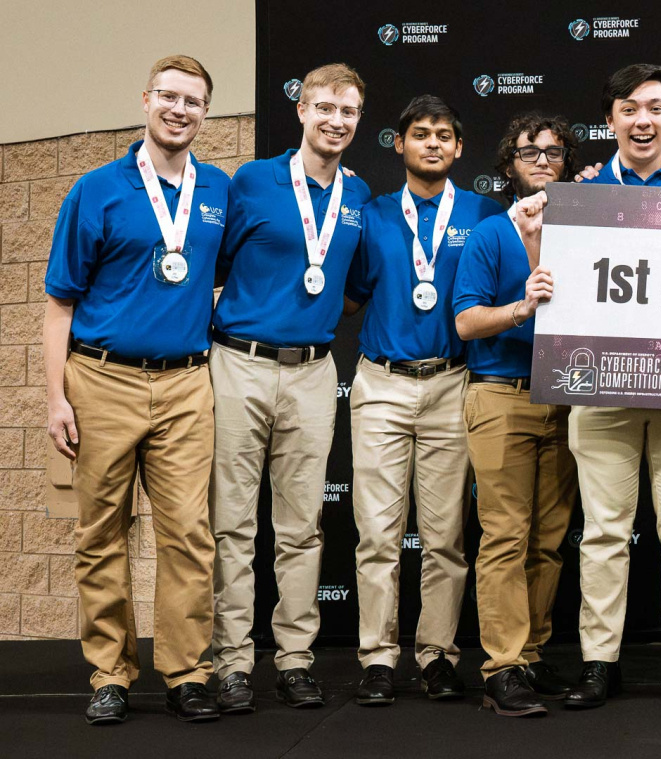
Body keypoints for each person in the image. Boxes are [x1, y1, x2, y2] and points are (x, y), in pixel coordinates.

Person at [44, 54, 227, 724]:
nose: (180, 110)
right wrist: (56, 398)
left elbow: (226, 271)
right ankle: (110, 673)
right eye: (169, 97)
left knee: (189, 536)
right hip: (101, 380)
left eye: (193, 101)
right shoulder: (96, 190)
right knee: (101, 532)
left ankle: (187, 673)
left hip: (187, 384)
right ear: (146, 100)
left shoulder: (219, 191)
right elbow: (59, 304)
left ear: (205, 113)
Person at [537, 63, 661, 709]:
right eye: (628, 109)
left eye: (654, 108)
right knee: (603, 533)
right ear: (610, 120)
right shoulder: (578, 195)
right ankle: (599, 660)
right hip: (601, 390)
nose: (642, 120)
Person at [208, 62, 371, 714]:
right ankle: (231, 662)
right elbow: (214, 265)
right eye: (325, 107)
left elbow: (353, 290)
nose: (336, 120)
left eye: (348, 111)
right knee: (232, 524)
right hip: (239, 364)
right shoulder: (251, 180)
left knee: (302, 526)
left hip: (312, 371)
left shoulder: (358, 195)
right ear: (301, 110)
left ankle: (296, 660)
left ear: (358, 120)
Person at [343, 95, 501, 706]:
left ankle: (437, 655)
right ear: (400, 143)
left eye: (442, 135)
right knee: (377, 536)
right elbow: (349, 296)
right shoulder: (372, 214)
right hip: (382, 383)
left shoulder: (484, 214)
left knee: (445, 537)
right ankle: (378, 658)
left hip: (451, 384)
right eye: (420, 133)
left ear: (458, 148)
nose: (432, 143)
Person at [452, 112, 582, 716]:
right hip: (501, 395)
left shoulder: (582, 232)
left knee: (549, 540)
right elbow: (465, 321)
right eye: (530, 151)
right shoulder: (489, 234)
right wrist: (520, 309)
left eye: (554, 152)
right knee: (505, 535)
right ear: (509, 163)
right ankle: (501, 667)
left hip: (564, 399)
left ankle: (530, 654)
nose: (542, 161)